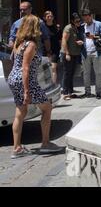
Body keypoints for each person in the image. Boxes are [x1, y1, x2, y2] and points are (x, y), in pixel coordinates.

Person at [7, 15, 63, 159]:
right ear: (34, 27)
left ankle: (17, 148)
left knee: (20, 112)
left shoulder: (19, 43)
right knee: (47, 108)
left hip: (14, 78)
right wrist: (26, 91)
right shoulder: (30, 44)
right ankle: (45, 143)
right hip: (25, 81)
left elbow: (15, 62)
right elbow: (25, 68)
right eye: (38, 25)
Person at [80, 10, 101, 99]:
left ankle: (98, 92)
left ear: (91, 15)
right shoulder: (81, 26)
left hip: (96, 51)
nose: (86, 18)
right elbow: (79, 37)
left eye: (87, 16)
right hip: (85, 52)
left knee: (98, 72)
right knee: (86, 73)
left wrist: (94, 36)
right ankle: (87, 92)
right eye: (84, 16)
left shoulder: (99, 24)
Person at [61, 13, 84, 101]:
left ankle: (70, 92)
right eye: (76, 21)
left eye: (79, 20)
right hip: (68, 54)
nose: (78, 22)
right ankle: (65, 93)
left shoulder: (76, 28)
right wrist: (67, 53)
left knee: (71, 73)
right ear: (72, 21)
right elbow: (64, 41)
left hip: (75, 54)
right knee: (67, 73)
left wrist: (79, 42)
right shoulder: (68, 28)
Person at [43, 11, 62, 84]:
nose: (50, 18)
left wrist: (62, 50)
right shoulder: (42, 27)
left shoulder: (57, 28)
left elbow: (60, 39)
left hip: (55, 50)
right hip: (45, 50)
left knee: (53, 68)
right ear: (44, 18)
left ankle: (53, 84)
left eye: (51, 16)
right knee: (46, 69)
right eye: (48, 16)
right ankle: (47, 85)